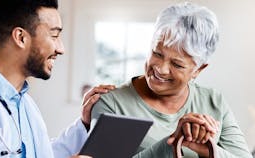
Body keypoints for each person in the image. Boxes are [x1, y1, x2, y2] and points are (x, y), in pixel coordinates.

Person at [0, 0, 115, 157]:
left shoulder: (26, 104)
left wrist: (84, 125)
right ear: (21, 37)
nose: (61, 49)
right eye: (54, 36)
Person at [91, 2, 252, 158]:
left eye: (177, 64)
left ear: (198, 69)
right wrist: (175, 142)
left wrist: (207, 149)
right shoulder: (112, 103)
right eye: (157, 53)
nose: (161, 69)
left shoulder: (214, 102)